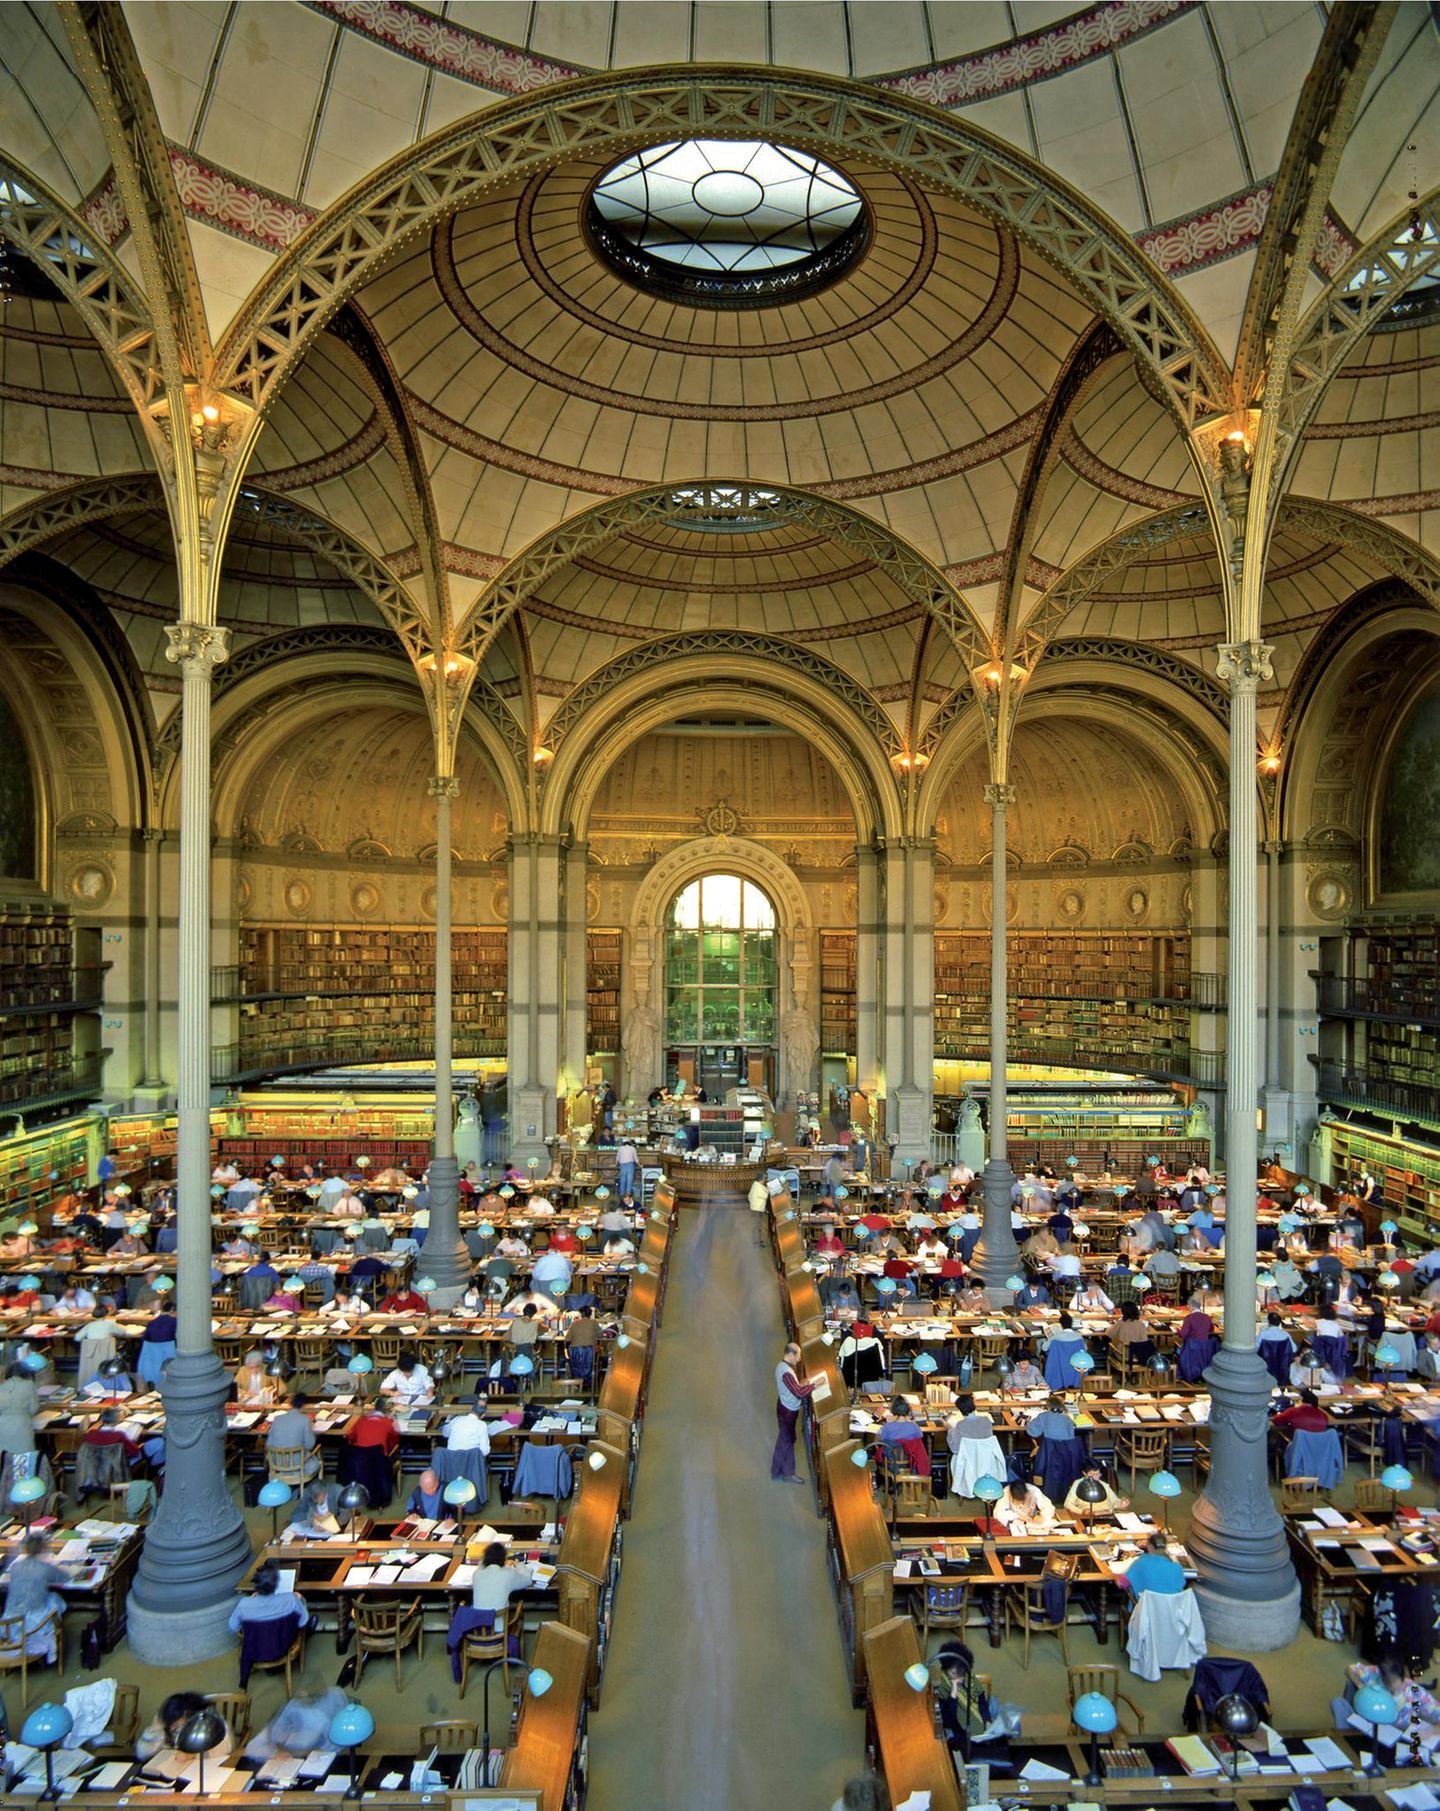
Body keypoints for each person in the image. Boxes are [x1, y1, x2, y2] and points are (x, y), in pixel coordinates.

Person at [1, 1531, 66, 1655]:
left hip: (10, 1623)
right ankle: (52, 1635)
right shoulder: (45, 1567)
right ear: (43, 1549)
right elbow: (64, 1577)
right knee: (55, 1598)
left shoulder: (16, 1566)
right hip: (34, 1624)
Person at [227, 1559, 312, 1635]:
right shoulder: (291, 1600)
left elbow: (232, 1628)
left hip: (254, 1648)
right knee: (302, 1601)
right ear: (276, 1584)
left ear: (256, 1585)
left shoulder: (244, 1604)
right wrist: (300, 1600)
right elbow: (302, 1622)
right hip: (282, 1645)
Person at [771, 1340, 815, 1484]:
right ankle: (783, 1472)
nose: (799, 1359)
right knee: (785, 1441)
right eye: (797, 1356)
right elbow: (798, 1394)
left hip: (785, 1408)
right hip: (787, 1411)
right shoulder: (786, 1372)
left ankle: (782, 1471)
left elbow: (794, 1387)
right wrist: (815, 1384)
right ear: (790, 1354)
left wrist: (801, 1383)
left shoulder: (782, 1367)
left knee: (788, 1440)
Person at [137, 1692, 213, 1761]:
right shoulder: (167, 1728)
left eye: (176, 1725)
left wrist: (191, 1755)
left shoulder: (208, 1727)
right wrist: (155, 1728)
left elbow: (216, 1754)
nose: (172, 1728)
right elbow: (142, 1754)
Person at [266, 1391, 319, 1478]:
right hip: (298, 1466)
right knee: (315, 1463)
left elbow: (269, 1444)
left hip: (278, 1465)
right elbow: (309, 1445)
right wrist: (313, 1433)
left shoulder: (277, 1419)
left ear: (290, 1404)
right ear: (303, 1405)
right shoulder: (305, 1420)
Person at [471, 1539, 533, 1612]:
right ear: (504, 1559)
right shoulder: (508, 1573)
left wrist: (484, 1561)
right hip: (499, 1621)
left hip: (477, 1621)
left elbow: (481, 1566)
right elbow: (527, 1580)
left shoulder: (477, 1574)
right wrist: (519, 1565)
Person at [1120, 1530, 1185, 1595]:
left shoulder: (1140, 1563)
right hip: (1172, 1604)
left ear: (1149, 1546)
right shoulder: (1177, 1567)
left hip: (1146, 1604)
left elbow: (1122, 1584)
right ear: (1165, 1547)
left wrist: (1116, 1576)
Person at [0, 1358, 40, 1460]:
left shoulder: (2, 1386)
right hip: (22, 1424)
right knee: (24, 1457)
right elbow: (34, 1408)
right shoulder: (29, 1385)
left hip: (3, 1425)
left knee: (5, 1458)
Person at [1064, 1463, 1129, 1517]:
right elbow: (1067, 1504)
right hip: (1087, 1516)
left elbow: (1114, 1501)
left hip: (1106, 1515)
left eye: (1098, 1474)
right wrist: (1081, 1511)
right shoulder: (1078, 1484)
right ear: (1084, 1473)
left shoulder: (1103, 1485)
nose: (1095, 1477)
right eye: (1092, 1474)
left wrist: (1122, 1503)